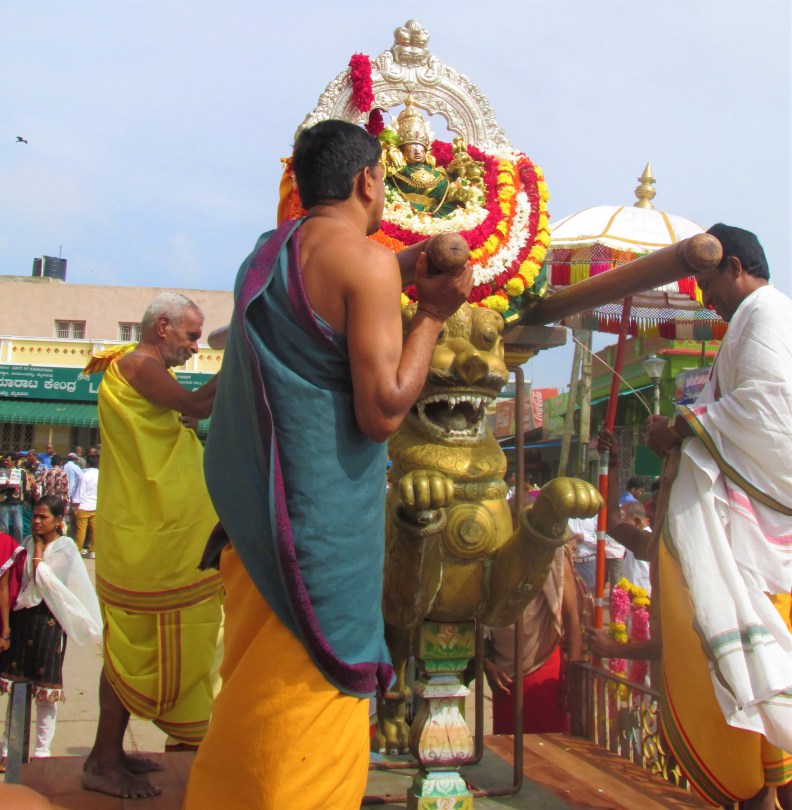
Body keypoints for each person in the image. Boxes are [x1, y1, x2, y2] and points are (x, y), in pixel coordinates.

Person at [183, 119, 472, 810]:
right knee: (305, 706)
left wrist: (406, 263)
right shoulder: (364, 263)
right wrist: (432, 314)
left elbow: (343, 283)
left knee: (251, 688)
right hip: (320, 539)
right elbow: (384, 411)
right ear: (368, 181)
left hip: (256, 523)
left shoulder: (265, 256)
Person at [646, 224, 792, 808]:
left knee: (762, 669)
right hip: (752, 532)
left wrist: (681, 426)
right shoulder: (753, 319)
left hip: (763, 537)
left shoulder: (766, 314)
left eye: (708, 284)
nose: (706, 298)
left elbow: (770, 410)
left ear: (734, 266)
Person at [81, 293, 223, 800]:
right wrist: (247, 356)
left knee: (136, 645)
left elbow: (182, 416)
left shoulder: (142, 370)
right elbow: (197, 406)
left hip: (157, 531)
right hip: (148, 536)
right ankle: (101, 761)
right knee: (131, 647)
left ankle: (108, 753)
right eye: (190, 336)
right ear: (162, 326)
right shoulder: (138, 364)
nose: (195, 347)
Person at [0, 496, 101, 768]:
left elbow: (43, 578)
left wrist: (38, 549)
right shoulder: (27, 542)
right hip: (23, 621)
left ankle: (42, 752)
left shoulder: (65, 547)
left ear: (58, 521)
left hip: (49, 623)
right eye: (34, 516)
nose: (35, 521)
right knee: (18, 686)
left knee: (46, 691)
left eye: (42, 517)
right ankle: (10, 749)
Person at [484, 544, 583, 734]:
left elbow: (572, 618)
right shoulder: (491, 548)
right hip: (503, 675)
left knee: (547, 746)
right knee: (506, 746)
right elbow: (480, 613)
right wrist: (485, 661)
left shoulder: (552, 554)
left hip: (544, 666)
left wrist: (574, 677)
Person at [73, 453, 98, 558]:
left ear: (87, 464)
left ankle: (77, 550)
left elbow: (80, 490)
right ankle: (93, 550)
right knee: (95, 530)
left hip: (83, 505)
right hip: (95, 505)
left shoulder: (85, 475)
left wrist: (76, 504)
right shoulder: (100, 475)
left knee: (81, 530)